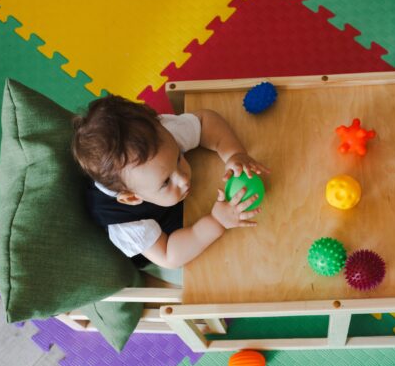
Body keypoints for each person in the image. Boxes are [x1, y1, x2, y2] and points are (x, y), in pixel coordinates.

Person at [71, 95, 269, 269]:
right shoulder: (126, 223)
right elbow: (169, 256)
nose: (183, 178)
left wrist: (234, 154)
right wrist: (216, 222)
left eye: (178, 159)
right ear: (132, 197)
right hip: (169, 238)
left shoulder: (161, 138)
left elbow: (205, 121)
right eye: (166, 182)